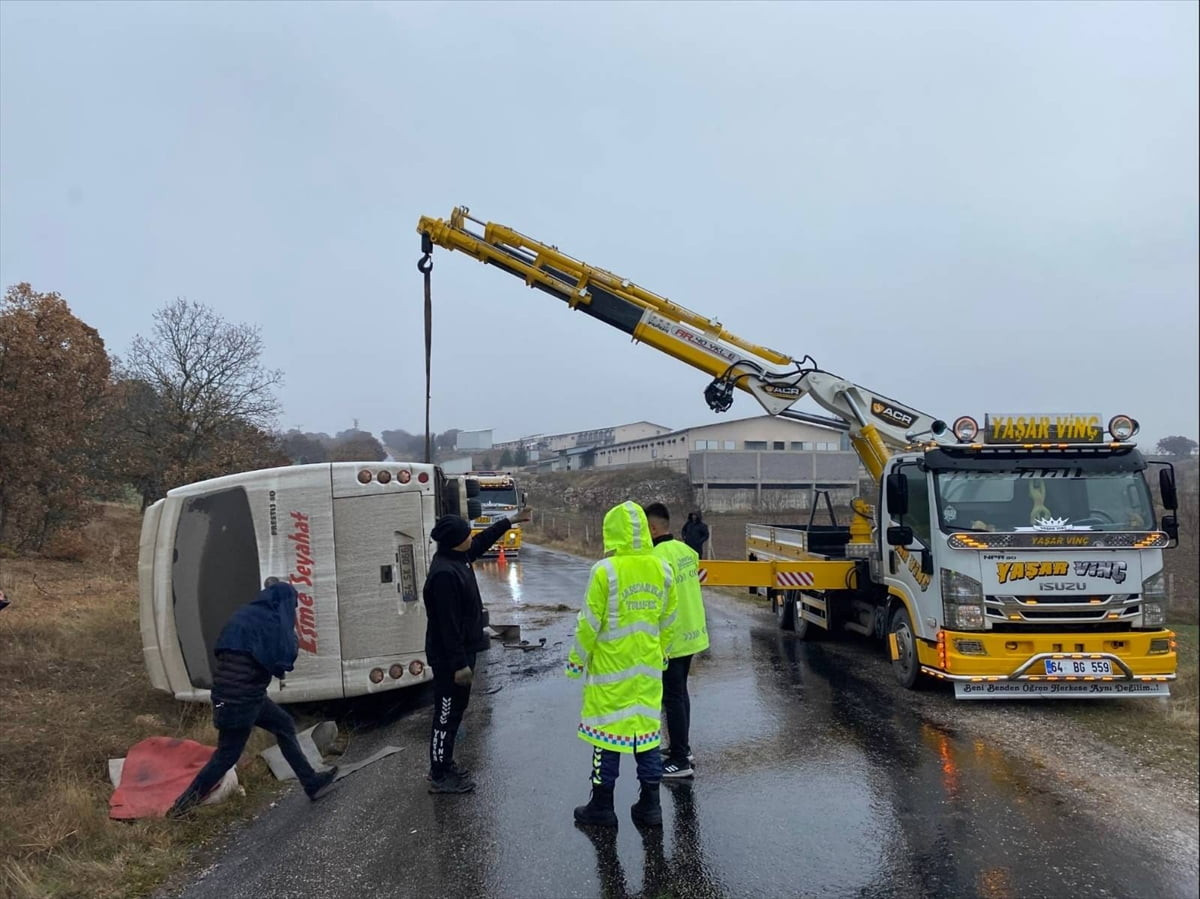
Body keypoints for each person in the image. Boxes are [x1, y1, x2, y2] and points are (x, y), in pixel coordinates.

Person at [168, 579, 337, 817]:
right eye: (293, 605)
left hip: (230, 694)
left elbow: (223, 650)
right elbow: (284, 659)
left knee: (284, 726)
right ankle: (181, 807)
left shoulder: (244, 615)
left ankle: (311, 782)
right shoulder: (270, 623)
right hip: (242, 699)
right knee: (226, 756)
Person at [568, 501, 678, 828]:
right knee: (647, 738)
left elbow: (588, 623)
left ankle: (601, 806)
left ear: (611, 532)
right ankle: (651, 806)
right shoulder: (662, 568)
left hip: (610, 672)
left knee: (606, 736)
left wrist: (576, 662)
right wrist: (662, 652)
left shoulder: (605, 571)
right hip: (647, 670)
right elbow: (669, 619)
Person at [424, 506, 532, 794]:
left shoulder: (458, 558)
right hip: (450, 661)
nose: (471, 537)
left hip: (462, 654)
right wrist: (459, 664)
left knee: (456, 711)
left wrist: (511, 521)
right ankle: (438, 773)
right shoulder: (445, 574)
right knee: (445, 715)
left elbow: (483, 540)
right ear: (455, 540)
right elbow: (447, 626)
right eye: (466, 534)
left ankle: (445, 763)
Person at [643, 502, 708, 779]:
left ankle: (680, 760)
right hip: (693, 632)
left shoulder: (656, 557)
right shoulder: (686, 552)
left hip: (673, 638)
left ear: (653, 528)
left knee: (672, 696)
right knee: (680, 694)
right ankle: (682, 748)